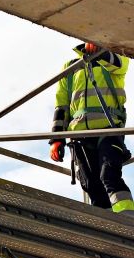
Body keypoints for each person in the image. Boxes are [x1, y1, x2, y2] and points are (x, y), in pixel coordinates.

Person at [49, 42, 134, 217]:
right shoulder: (71, 67)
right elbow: (62, 106)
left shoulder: (116, 58)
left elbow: (118, 62)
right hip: (79, 134)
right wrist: (57, 139)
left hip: (109, 129)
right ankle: (105, 224)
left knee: (109, 175)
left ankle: (128, 218)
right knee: (90, 184)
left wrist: (99, 51)